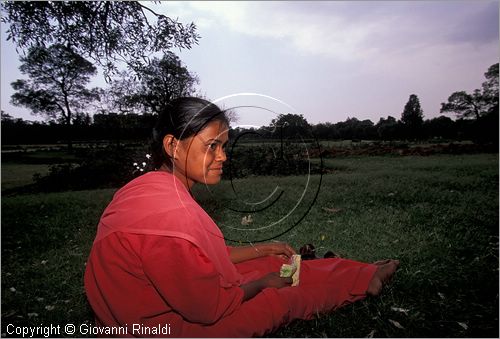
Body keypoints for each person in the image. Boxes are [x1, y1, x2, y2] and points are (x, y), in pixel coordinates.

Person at [84, 97, 399, 337]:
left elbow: (201, 259)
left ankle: (360, 271)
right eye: (212, 146)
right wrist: (263, 285)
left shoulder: (143, 190)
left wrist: (267, 248)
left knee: (265, 264)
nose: (223, 156)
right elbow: (210, 309)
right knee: (280, 295)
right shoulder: (173, 215)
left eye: (223, 145)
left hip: (127, 318)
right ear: (173, 146)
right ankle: (364, 281)